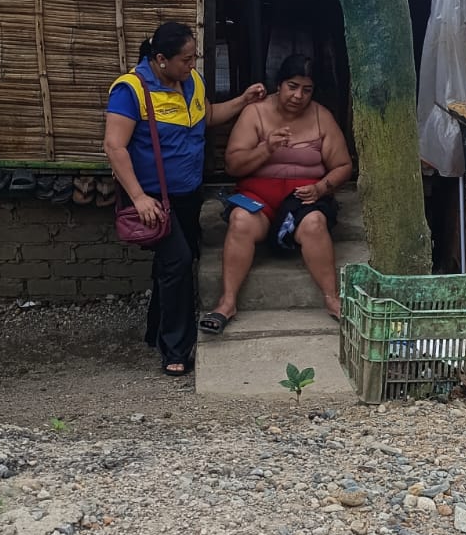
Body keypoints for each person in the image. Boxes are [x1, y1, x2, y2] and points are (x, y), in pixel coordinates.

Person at [105, 22, 265, 377]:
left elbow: (207, 116)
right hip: (152, 199)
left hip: (187, 194)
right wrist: (138, 198)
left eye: (194, 58)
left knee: (176, 261)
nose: (192, 65)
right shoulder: (131, 90)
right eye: (185, 59)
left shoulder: (192, 82)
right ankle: (176, 348)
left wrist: (242, 101)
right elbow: (114, 147)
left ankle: (155, 329)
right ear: (161, 59)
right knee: (177, 262)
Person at [200, 54, 352, 332]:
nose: (298, 96)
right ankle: (227, 301)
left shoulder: (321, 116)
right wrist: (266, 148)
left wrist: (321, 188)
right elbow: (233, 165)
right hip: (258, 198)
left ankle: (332, 299)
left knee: (315, 223)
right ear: (279, 84)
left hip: (304, 199)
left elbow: (343, 166)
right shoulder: (255, 113)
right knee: (240, 221)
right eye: (292, 86)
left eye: (307, 90)